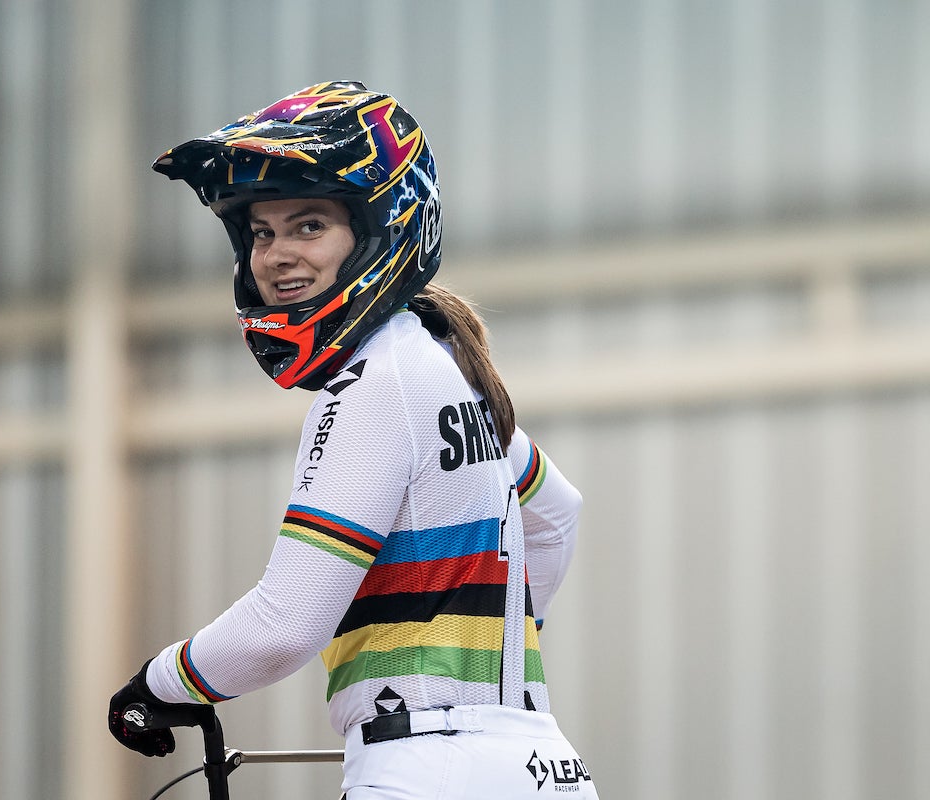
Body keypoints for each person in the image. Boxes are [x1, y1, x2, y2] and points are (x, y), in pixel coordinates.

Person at [108, 80, 599, 799]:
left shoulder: (372, 387)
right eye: (261, 232)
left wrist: (157, 683)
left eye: (309, 226)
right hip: (541, 764)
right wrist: (493, 668)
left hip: (424, 768)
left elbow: (285, 624)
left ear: (382, 231)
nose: (275, 256)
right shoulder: (449, 370)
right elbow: (558, 516)